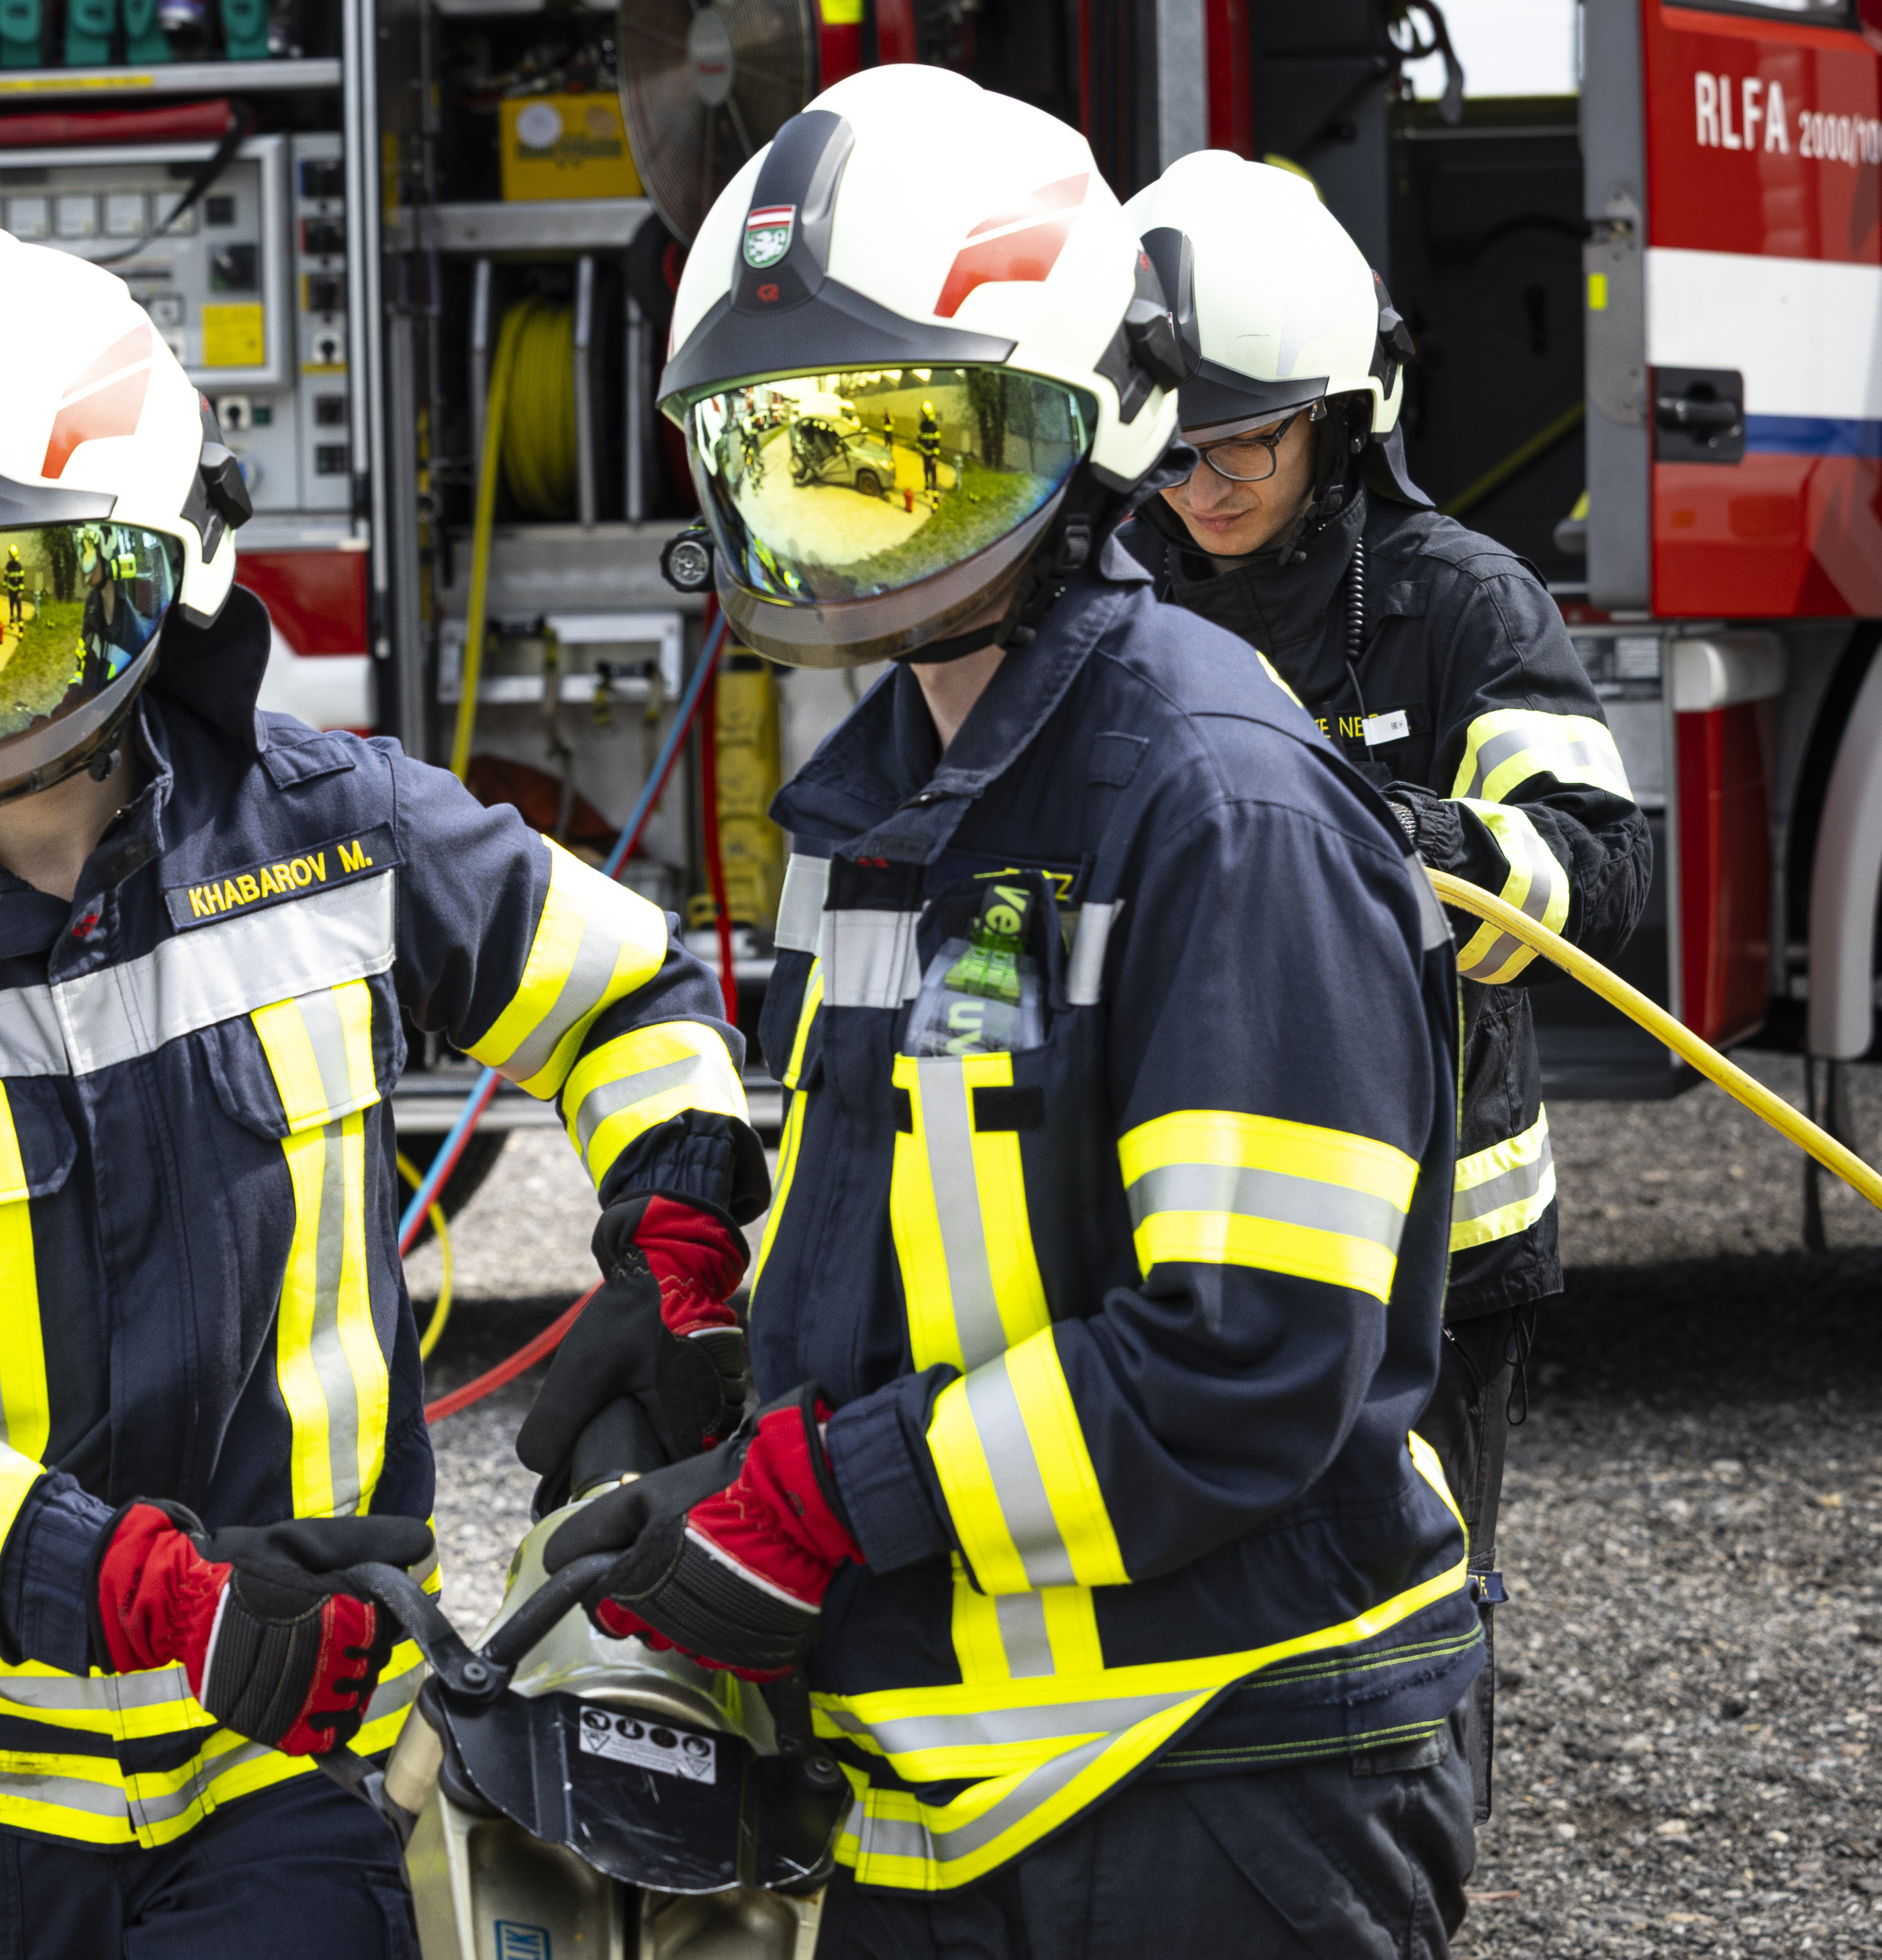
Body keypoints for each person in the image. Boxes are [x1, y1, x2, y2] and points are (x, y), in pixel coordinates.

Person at [0, 224, 765, 1960]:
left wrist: (678, 1240)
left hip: (296, 1771)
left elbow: (628, 989)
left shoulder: (343, 837)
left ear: (157, 562)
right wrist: (136, 1593)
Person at [526, 66, 1485, 1955]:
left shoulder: (1216, 806)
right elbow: (915, 1211)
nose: (844, 522)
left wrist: (819, 1499)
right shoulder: (885, 805)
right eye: (789, 450)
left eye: (911, 447)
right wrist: (708, 1291)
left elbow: (1247, 1360)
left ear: (1087, 419)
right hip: (947, 1790)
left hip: (1216, 1782)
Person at [1121, 149, 1653, 1818]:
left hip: (1441, 1247)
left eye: (1246, 444)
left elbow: (1601, 870)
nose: (1204, 485)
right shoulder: (1112, 600)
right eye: (1173, 447)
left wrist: (1403, 835)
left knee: (1417, 1611)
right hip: (1188, 1230)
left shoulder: (1455, 600)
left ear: (1344, 418)